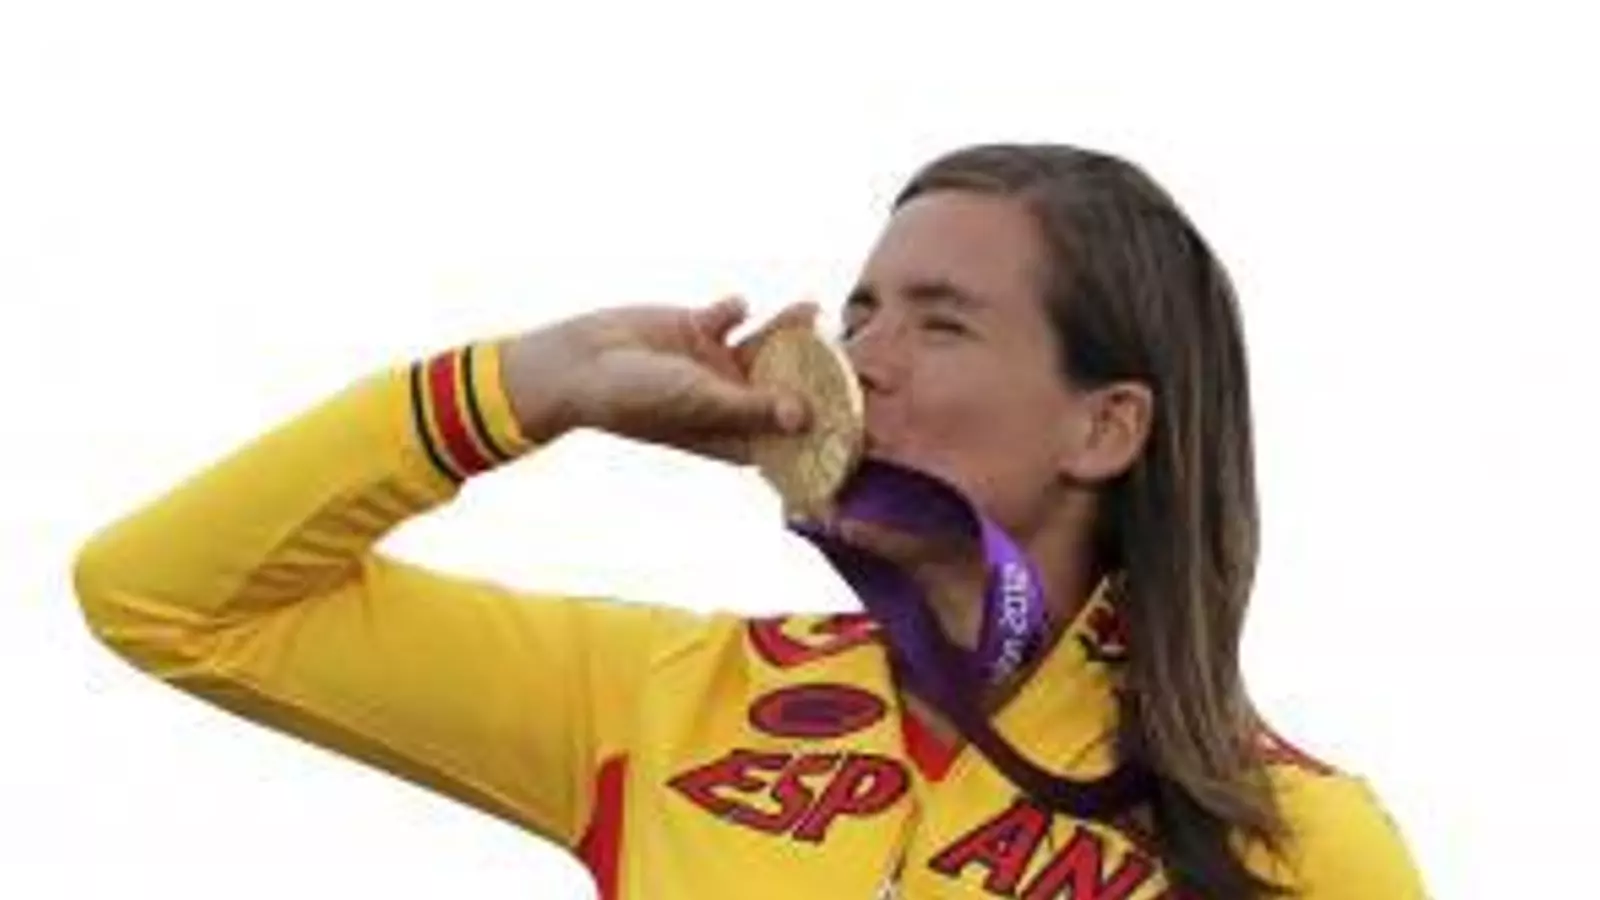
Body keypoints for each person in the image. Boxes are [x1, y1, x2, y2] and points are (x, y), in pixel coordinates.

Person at [73, 143, 1425, 899]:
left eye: (940, 324)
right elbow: (165, 599)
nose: (855, 361)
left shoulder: (1296, 839)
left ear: (1104, 428)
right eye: (860, 312)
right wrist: (534, 388)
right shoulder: (668, 700)